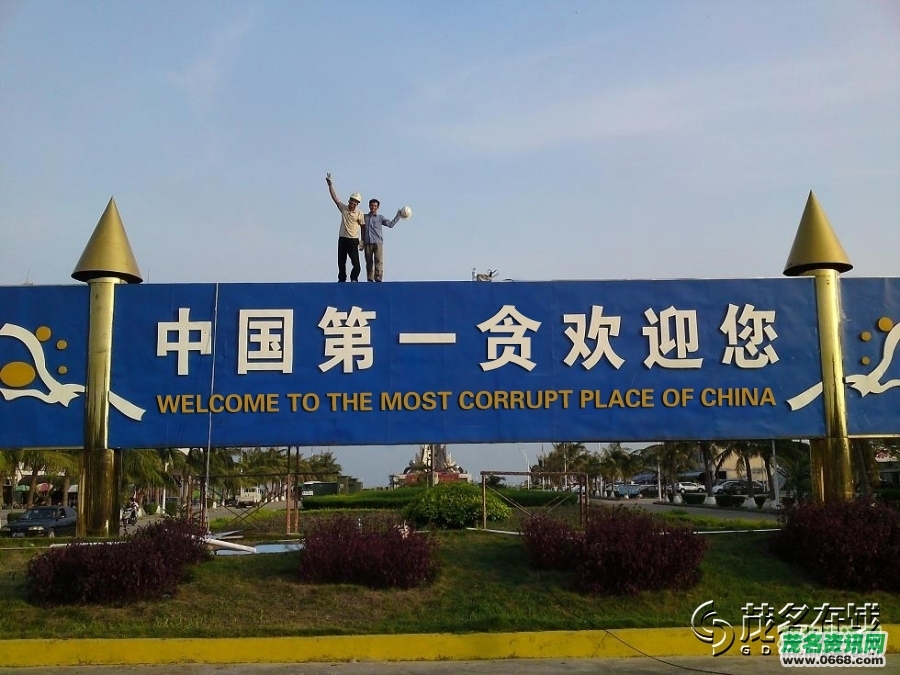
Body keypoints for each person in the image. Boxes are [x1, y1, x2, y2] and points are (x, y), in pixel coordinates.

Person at [325, 172, 365, 282]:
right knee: (341, 262)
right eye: (351, 200)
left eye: (354, 202)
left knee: (356, 265)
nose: (352, 203)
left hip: (353, 240)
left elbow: (363, 227)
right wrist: (330, 184)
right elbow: (335, 198)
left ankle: (354, 279)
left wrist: (362, 241)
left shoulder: (359, 213)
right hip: (342, 239)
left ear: (357, 203)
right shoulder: (344, 208)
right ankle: (342, 280)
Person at [361, 199, 403, 282]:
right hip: (367, 242)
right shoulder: (364, 217)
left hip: (378, 242)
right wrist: (362, 241)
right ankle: (370, 279)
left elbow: (390, 224)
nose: (373, 207)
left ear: (377, 207)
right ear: (369, 206)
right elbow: (361, 229)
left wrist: (398, 216)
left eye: (375, 206)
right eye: (372, 205)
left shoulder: (380, 218)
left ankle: (378, 277)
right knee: (368, 262)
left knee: (378, 260)